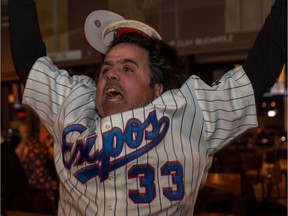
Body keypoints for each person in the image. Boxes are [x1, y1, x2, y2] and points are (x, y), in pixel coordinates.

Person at [9, 0, 286, 215]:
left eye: (128, 67)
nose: (111, 74)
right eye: (107, 67)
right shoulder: (75, 102)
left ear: (157, 89)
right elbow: (29, 60)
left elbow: (260, 67)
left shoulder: (188, 111)